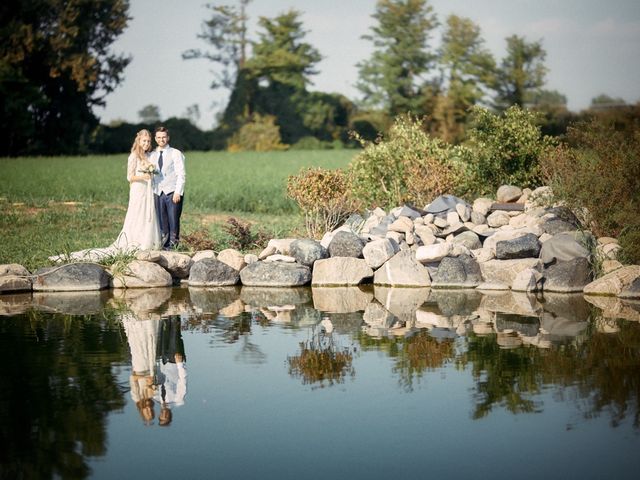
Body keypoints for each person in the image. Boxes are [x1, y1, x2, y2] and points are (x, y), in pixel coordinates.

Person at [49, 129, 161, 262]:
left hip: (147, 190)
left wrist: (151, 174)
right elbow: (129, 177)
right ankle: (135, 241)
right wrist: (144, 176)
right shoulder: (133, 156)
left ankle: (148, 240)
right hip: (138, 189)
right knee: (137, 214)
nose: (147, 143)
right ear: (138, 140)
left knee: (147, 213)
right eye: (144, 141)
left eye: (148, 141)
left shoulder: (148, 156)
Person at [150, 126, 185, 250]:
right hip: (157, 192)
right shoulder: (152, 155)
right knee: (161, 221)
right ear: (155, 138)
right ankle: (164, 246)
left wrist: (178, 192)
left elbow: (181, 174)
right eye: (159, 137)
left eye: (164, 137)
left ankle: (173, 246)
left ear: (168, 138)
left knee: (173, 221)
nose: (161, 139)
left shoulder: (176, 153)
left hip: (172, 192)